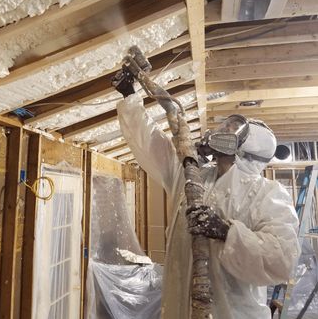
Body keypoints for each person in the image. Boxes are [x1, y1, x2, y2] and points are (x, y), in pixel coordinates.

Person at [113, 77, 300, 319]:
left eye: (229, 131)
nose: (220, 131)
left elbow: (283, 260)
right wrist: (130, 98)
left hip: (231, 313)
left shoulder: (268, 194)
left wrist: (225, 231)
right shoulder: (195, 177)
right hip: (179, 307)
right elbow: (154, 147)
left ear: (242, 148)